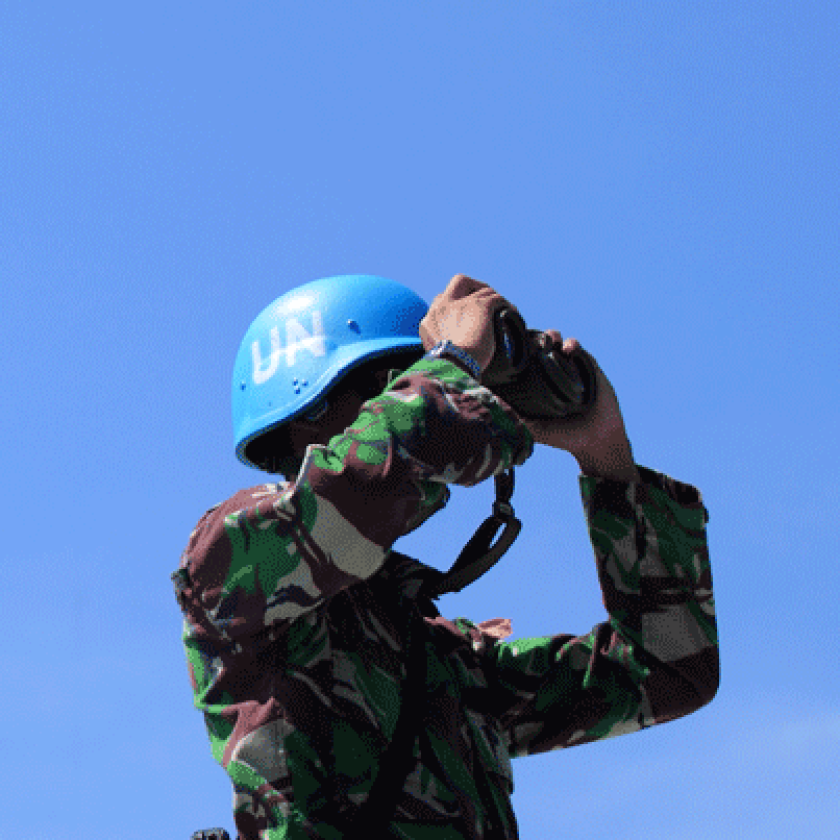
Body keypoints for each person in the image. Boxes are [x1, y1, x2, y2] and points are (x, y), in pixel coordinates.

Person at [172, 274, 719, 840]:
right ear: (311, 413)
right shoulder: (231, 559)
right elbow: (350, 494)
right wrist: (456, 361)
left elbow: (666, 667)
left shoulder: (439, 662)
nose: (429, 386)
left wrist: (604, 454)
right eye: (395, 381)